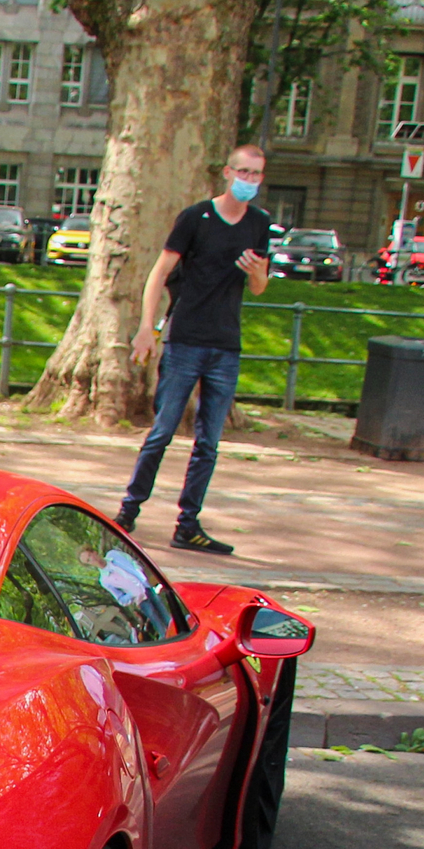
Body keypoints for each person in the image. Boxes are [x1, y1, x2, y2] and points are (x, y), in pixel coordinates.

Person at [118, 144, 275, 555]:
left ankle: (188, 524)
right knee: (162, 432)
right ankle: (128, 512)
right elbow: (160, 272)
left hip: (226, 345)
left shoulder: (259, 223)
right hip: (185, 338)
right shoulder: (196, 218)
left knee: (209, 441)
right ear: (227, 172)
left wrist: (260, 274)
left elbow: (258, 285)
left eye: (256, 175)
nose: (249, 181)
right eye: (243, 172)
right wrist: (147, 329)